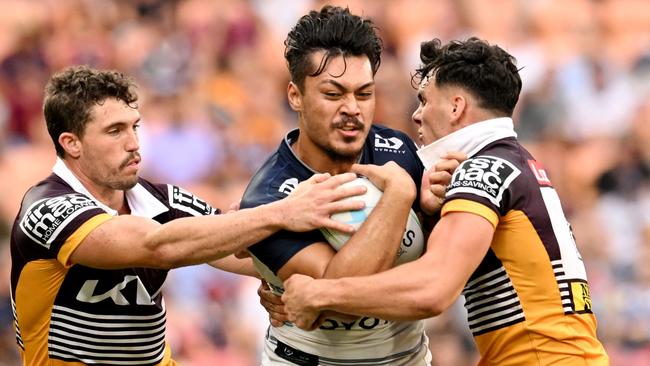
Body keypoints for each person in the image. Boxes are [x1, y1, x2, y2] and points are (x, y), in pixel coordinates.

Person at [9, 65, 368, 366]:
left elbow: (245, 250)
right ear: (71, 143)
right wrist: (282, 212)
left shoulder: (159, 200)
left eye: (135, 126)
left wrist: (282, 279)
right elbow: (155, 245)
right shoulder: (46, 209)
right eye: (115, 131)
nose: (134, 142)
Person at [282, 37, 610, 365]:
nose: (416, 115)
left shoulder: (484, 169)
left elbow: (433, 289)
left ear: (456, 107)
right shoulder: (513, 163)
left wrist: (321, 293)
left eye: (424, 100)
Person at [239, 5, 437, 366]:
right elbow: (339, 300)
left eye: (364, 94)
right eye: (333, 94)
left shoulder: (400, 151)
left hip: (409, 357)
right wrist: (398, 197)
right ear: (295, 96)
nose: (353, 109)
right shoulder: (268, 198)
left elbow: (444, 260)